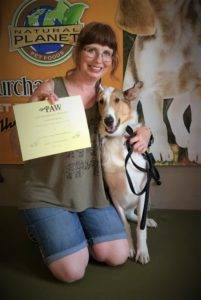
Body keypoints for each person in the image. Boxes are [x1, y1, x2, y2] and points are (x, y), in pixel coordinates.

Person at [20, 22, 152, 283]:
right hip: (50, 194)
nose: (98, 59)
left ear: (113, 59)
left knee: (117, 255)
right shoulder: (52, 91)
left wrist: (147, 133)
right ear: (78, 52)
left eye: (106, 53)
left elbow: (131, 127)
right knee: (72, 271)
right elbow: (18, 146)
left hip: (89, 194)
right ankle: (42, 228)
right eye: (91, 50)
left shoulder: (108, 99)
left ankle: (73, 234)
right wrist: (33, 104)